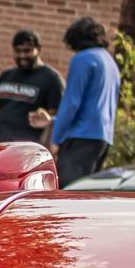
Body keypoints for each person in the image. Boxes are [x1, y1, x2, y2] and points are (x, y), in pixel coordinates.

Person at [50, 16, 121, 181]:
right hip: (103, 138)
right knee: (84, 193)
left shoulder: (82, 59)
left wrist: (56, 139)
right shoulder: (110, 63)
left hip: (80, 137)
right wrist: (53, 119)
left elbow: (71, 102)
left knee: (67, 193)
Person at [0, 29, 64, 146]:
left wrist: (45, 152)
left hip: (26, 150)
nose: (22, 55)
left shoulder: (51, 79)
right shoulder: (6, 76)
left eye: (27, 51)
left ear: (39, 49)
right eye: (18, 51)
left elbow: (54, 121)